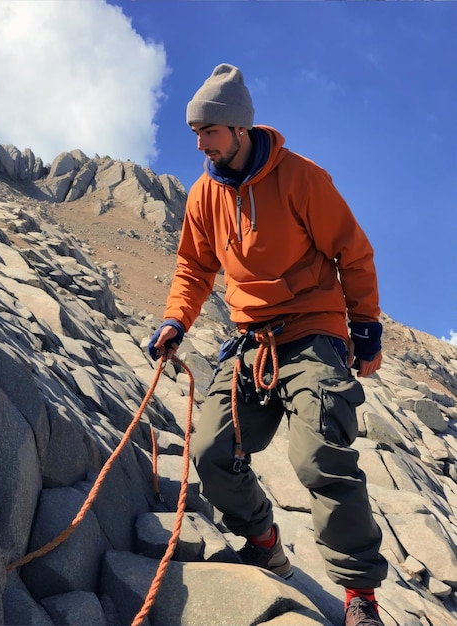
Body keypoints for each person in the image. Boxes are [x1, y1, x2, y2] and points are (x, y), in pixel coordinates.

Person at [148, 63, 388, 626]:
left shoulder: (303, 178)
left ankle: (360, 597)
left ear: (238, 128)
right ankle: (263, 540)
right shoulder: (205, 194)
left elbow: (353, 252)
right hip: (250, 341)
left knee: (319, 459)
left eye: (208, 131)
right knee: (211, 450)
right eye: (195, 133)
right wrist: (174, 322)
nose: (200, 143)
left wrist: (366, 326)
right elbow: (192, 267)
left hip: (313, 333)